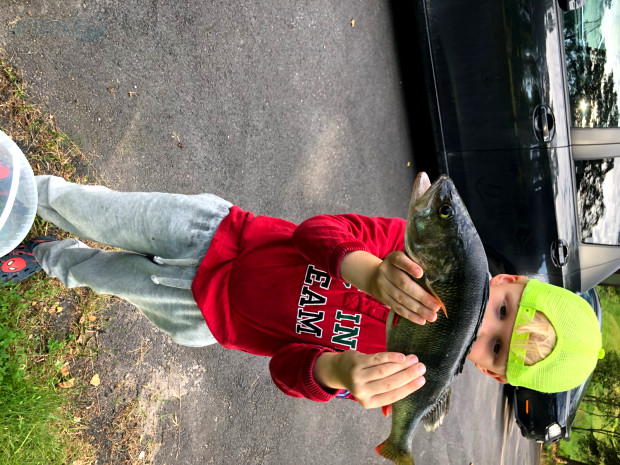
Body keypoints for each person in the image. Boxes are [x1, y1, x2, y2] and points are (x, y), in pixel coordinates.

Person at [0, 175, 604, 408]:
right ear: (508, 281)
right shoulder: (411, 255)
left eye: (496, 346)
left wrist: (338, 370)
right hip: (216, 232)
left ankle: (47, 257)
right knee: (96, 209)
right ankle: (23, 190)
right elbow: (315, 231)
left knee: (96, 275)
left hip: (204, 316)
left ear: (492, 373)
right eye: (503, 311)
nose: (483, 326)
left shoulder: (405, 374)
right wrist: (367, 271)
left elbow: (285, 370)